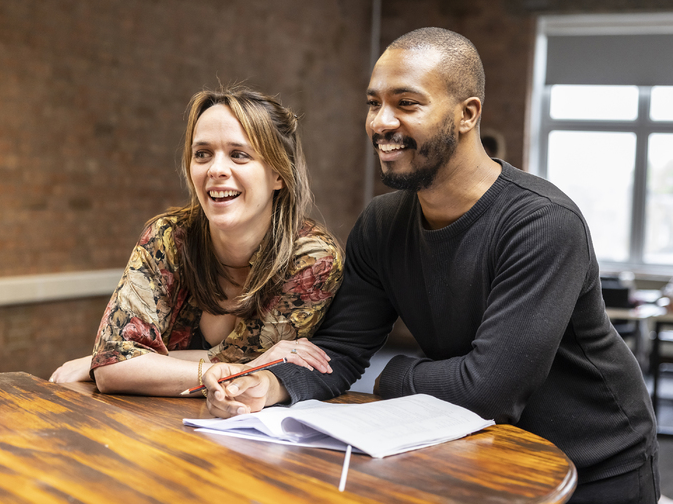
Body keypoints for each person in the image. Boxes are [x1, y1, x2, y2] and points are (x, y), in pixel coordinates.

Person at [202, 28, 660, 503]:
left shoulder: (542, 224)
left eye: (406, 103)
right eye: (373, 103)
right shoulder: (381, 224)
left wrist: (395, 375)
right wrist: (270, 385)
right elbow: (341, 348)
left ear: (467, 114)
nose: (381, 122)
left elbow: (489, 390)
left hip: (597, 463)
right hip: (483, 453)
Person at [50, 85, 343, 396]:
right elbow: (113, 369)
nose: (216, 169)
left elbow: (120, 362)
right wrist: (246, 369)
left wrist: (135, 363)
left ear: (279, 174)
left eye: (239, 155)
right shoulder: (168, 237)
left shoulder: (312, 260)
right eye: (202, 154)